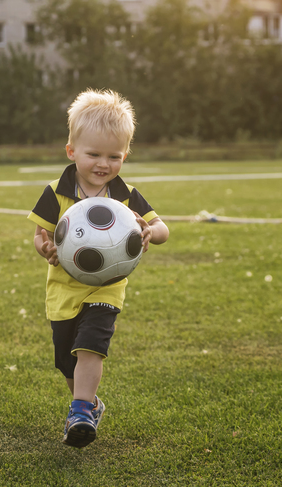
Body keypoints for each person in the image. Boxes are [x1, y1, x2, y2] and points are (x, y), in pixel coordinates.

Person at [28, 89, 170, 448]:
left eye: (114, 156)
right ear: (71, 151)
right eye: (93, 154)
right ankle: (89, 403)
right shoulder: (56, 192)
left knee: (91, 345)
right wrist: (45, 246)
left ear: (125, 155)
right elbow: (39, 234)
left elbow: (164, 229)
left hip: (107, 286)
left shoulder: (125, 197)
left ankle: (78, 412)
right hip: (63, 290)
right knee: (66, 359)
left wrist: (150, 230)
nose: (103, 164)